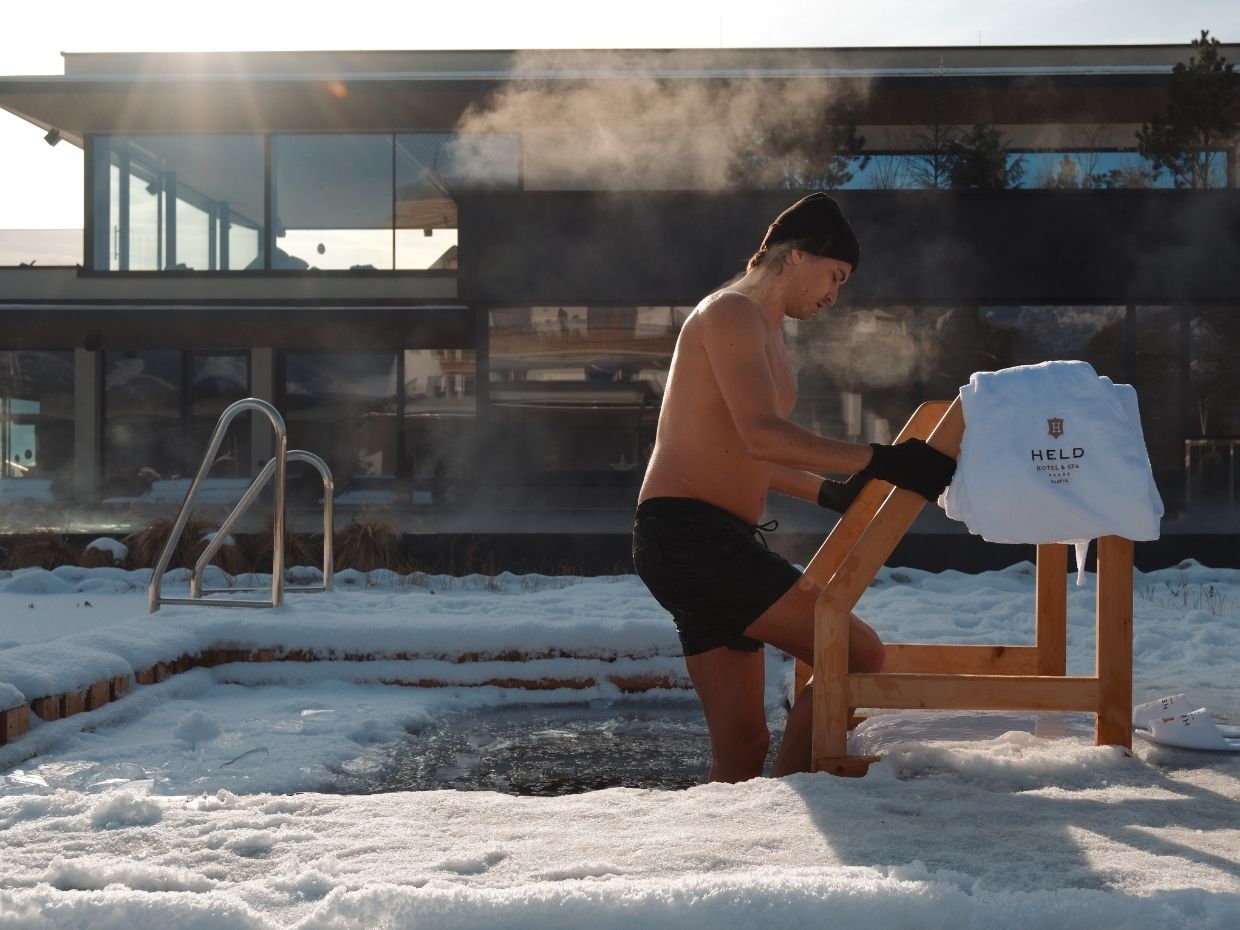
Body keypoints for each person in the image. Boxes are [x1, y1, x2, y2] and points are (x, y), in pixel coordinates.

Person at [632, 193, 956, 782]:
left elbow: (738, 449)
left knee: (742, 744)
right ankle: (793, 808)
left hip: (703, 540)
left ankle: (730, 853)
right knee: (857, 654)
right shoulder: (729, 313)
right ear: (797, 256)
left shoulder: (764, 331)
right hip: (691, 538)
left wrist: (829, 493)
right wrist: (881, 461)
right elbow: (761, 435)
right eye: (834, 277)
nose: (834, 296)